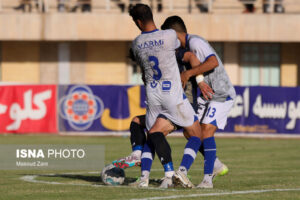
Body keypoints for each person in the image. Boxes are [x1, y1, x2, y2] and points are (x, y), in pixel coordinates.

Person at [127, 4, 204, 188]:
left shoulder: (137, 43)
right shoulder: (169, 35)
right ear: (152, 16)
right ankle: (182, 172)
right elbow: (182, 47)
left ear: (138, 22)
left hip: (153, 96)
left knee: (153, 133)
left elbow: (140, 63)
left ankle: (144, 178)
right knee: (196, 135)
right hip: (172, 95)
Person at [161, 15, 236, 188]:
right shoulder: (185, 48)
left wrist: (188, 74)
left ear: (174, 34)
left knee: (206, 130)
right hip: (206, 96)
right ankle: (215, 164)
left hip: (220, 93)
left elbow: (213, 62)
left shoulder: (195, 42)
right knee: (191, 132)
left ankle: (206, 179)